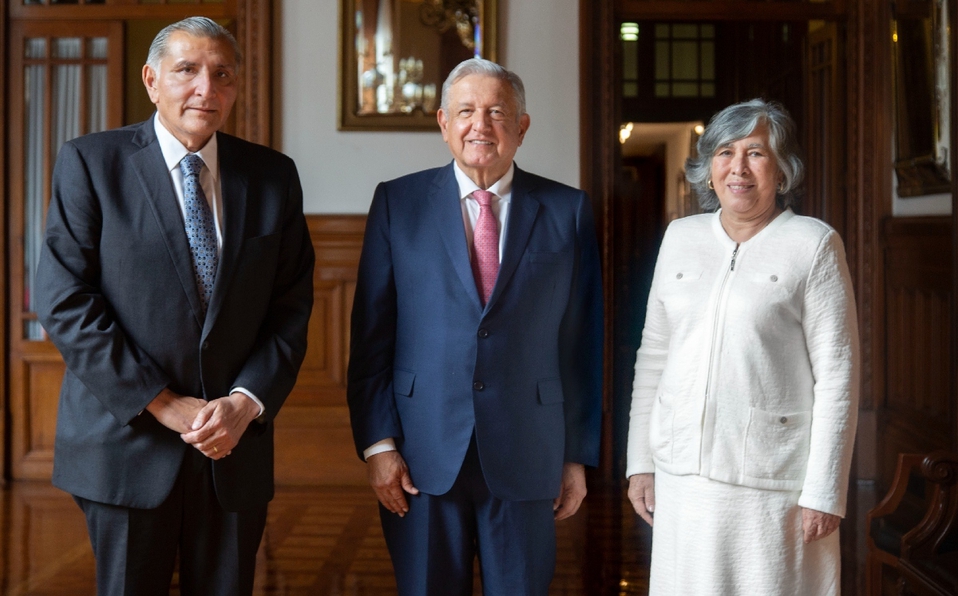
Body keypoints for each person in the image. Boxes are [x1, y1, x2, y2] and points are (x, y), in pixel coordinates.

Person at [34, 17, 314, 596]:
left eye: (222, 74)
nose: (206, 89)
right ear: (152, 80)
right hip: (126, 444)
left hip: (232, 447)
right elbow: (64, 301)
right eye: (187, 70)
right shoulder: (92, 163)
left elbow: (291, 306)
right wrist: (162, 404)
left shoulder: (273, 176)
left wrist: (244, 404)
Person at [347, 57, 603, 595]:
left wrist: (577, 454)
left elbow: (582, 344)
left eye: (497, 113)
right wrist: (377, 445)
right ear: (444, 123)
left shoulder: (568, 210)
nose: (480, 126)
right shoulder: (397, 203)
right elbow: (371, 337)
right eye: (465, 112)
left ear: (522, 127)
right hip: (419, 454)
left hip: (529, 450)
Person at [626, 98, 860, 595]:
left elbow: (838, 375)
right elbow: (653, 356)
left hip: (773, 483)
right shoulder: (680, 237)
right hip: (681, 476)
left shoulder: (814, 244)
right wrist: (641, 462)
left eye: (756, 153)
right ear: (708, 169)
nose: (738, 167)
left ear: (782, 169)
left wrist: (825, 489)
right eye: (725, 152)